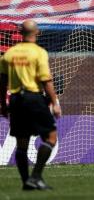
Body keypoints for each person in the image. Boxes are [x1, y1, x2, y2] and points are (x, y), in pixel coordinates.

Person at [0, 20, 62, 190]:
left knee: (22, 143)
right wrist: (55, 102)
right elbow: (46, 80)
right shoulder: (39, 53)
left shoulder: (9, 54)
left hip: (15, 100)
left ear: (20, 32)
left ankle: (26, 181)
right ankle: (35, 177)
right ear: (38, 33)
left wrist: (3, 105)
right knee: (51, 137)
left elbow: (2, 81)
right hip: (33, 98)